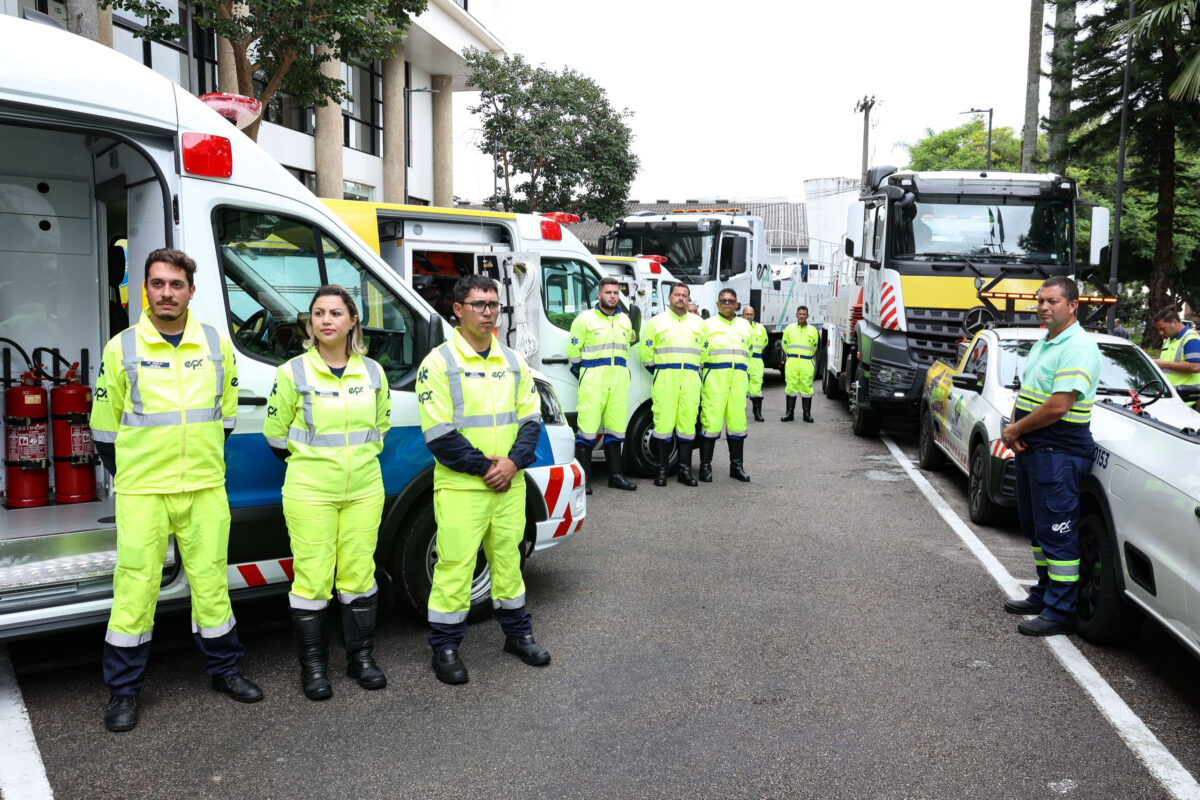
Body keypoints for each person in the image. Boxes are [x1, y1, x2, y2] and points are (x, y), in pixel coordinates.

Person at [90, 248, 261, 733]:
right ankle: (123, 693)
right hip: (145, 490)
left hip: (204, 487)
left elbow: (224, 416)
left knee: (212, 584)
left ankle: (225, 671)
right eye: (158, 283)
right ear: (146, 288)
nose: (167, 292)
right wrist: (133, 475)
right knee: (135, 590)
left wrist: (198, 460)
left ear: (191, 289)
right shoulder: (122, 347)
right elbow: (103, 430)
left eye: (176, 284)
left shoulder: (213, 344)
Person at [416, 275, 549, 684]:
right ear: (458, 310)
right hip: (462, 487)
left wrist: (511, 464)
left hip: (508, 485)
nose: (488, 312)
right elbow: (438, 434)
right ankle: (446, 648)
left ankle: (518, 635)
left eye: (493, 304)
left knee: (509, 563)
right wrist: (488, 468)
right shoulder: (438, 362)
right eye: (478, 304)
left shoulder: (513, 361)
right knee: (455, 566)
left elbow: (532, 419)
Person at [264, 286, 391, 700]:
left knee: (359, 575)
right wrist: (314, 468)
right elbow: (275, 434)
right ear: (310, 323)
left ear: (353, 320)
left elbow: (381, 428)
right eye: (318, 313)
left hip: (365, 489)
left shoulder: (373, 372)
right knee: (313, 578)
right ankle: (315, 669)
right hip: (310, 492)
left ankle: (361, 658)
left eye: (336, 312)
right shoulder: (293, 373)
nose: (326, 320)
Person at [1001, 277, 1101, 636]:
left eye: (1052, 301)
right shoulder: (1045, 342)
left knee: (1058, 532)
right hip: (1035, 447)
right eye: (1040, 300)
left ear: (1073, 305)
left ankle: (1060, 611)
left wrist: (1016, 431)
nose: (1043, 307)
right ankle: (1044, 593)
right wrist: (1013, 427)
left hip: (1059, 449)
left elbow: (1059, 406)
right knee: (1036, 528)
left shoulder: (1078, 347)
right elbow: (1028, 392)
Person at [567, 277, 636, 494]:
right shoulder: (584, 319)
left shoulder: (625, 320)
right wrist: (588, 375)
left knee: (616, 429)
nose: (612, 296)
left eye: (615, 293)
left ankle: (615, 476)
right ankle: (583, 480)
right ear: (599, 294)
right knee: (587, 430)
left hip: (618, 379)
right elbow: (573, 355)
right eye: (608, 292)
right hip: (593, 379)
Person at [639, 284, 707, 487]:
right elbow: (645, 352)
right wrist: (661, 372)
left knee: (687, 425)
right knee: (663, 424)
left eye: (684, 296)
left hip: (691, 377)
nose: (680, 298)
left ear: (689, 299)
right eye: (677, 294)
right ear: (669, 297)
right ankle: (662, 470)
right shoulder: (656, 322)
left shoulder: (699, 323)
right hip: (666, 377)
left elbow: (705, 351)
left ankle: (685, 471)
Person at [698, 289, 753, 482]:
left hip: (738, 380)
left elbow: (750, 353)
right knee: (711, 422)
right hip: (715, 379)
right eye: (723, 300)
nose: (727, 303)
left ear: (737, 304)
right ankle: (705, 467)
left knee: (737, 424)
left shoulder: (746, 326)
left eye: (731, 301)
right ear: (717, 303)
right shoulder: (707, 325)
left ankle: (736, 467)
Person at [780, 305, 819, 422]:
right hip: (792, 361)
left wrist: (805, 356)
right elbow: (784, 345)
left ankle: (806, 414)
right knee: (791, 386)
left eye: (804, 314)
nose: (802, 316)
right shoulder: (789, 329)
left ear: (807, 316)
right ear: (796, 315)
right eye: (800, 314)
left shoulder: (813, 330)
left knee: (806, 387)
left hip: (806, 362)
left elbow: (814, 346)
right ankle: (789, 414)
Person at [1152, 309, 1200, 400]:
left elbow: (1196, 367)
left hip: (1186, 398)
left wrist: (1163, 364)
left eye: (1163, 328)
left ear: (1174, 322)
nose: (1161, 333)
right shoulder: (1170, 339)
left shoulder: (1191, 338)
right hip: (1172, 396)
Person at [741, 304, 769, 422]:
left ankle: (757, 413)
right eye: (746, 314)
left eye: (751, 314)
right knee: (740, 387)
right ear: (742, 315)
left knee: (756, 387)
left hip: (756, 361)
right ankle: (739, 413)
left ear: (754, 315)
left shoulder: (760, 328)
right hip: (742, 360)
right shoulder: (737, 327)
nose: (749, 316)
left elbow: (765, 342)